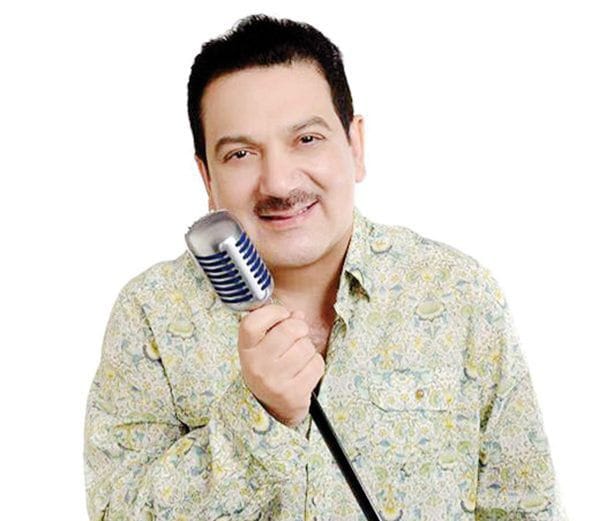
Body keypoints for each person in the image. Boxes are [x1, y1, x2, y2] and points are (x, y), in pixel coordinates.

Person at [84, 14, 567, 520]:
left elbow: (524, 506)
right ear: (207, 178)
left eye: (307, 139)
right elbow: (117, 513)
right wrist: (258, 416)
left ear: (355, 146)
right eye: (241, 153)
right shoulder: (151, 313)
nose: (278, 182)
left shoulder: (458, 294)